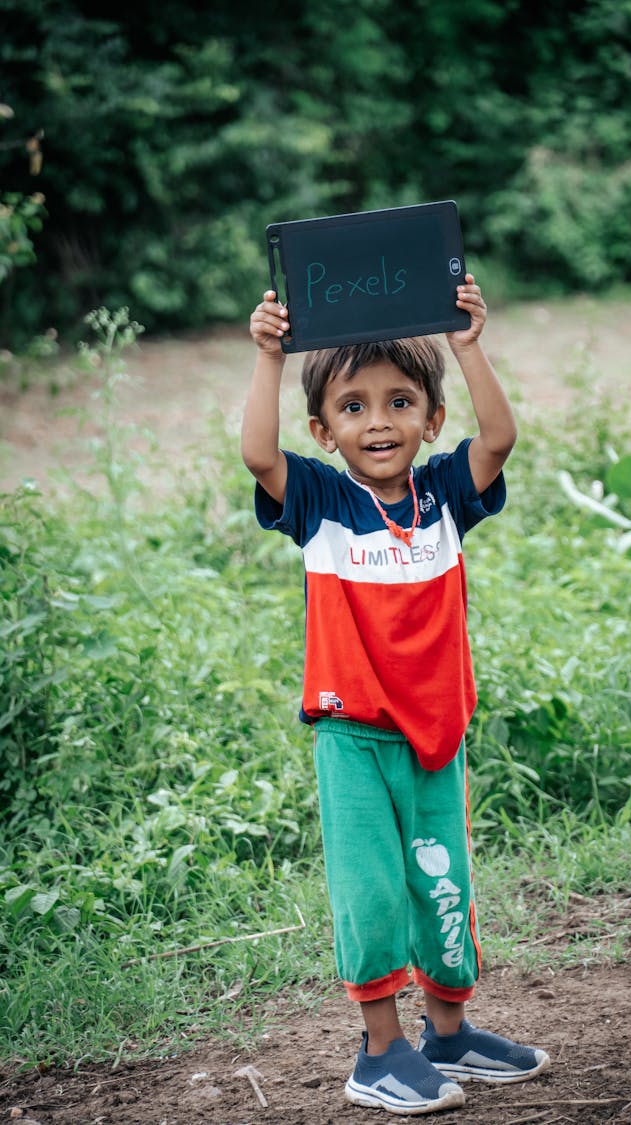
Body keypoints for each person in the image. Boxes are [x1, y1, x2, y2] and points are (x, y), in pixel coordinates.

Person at [242, 275, 550, 1115]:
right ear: (325, 428)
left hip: (436, 734)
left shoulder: (444, 493)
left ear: (429, 418)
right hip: (354, 739)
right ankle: (380, 1052)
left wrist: (466, 343)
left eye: (399, 402)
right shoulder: (321, 500)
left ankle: (449, 1033)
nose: (377, 421)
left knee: (441, 887)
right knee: (374, 894)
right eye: (353, 407)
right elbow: (258, 457)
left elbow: (502, 437)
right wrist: (270, 355)